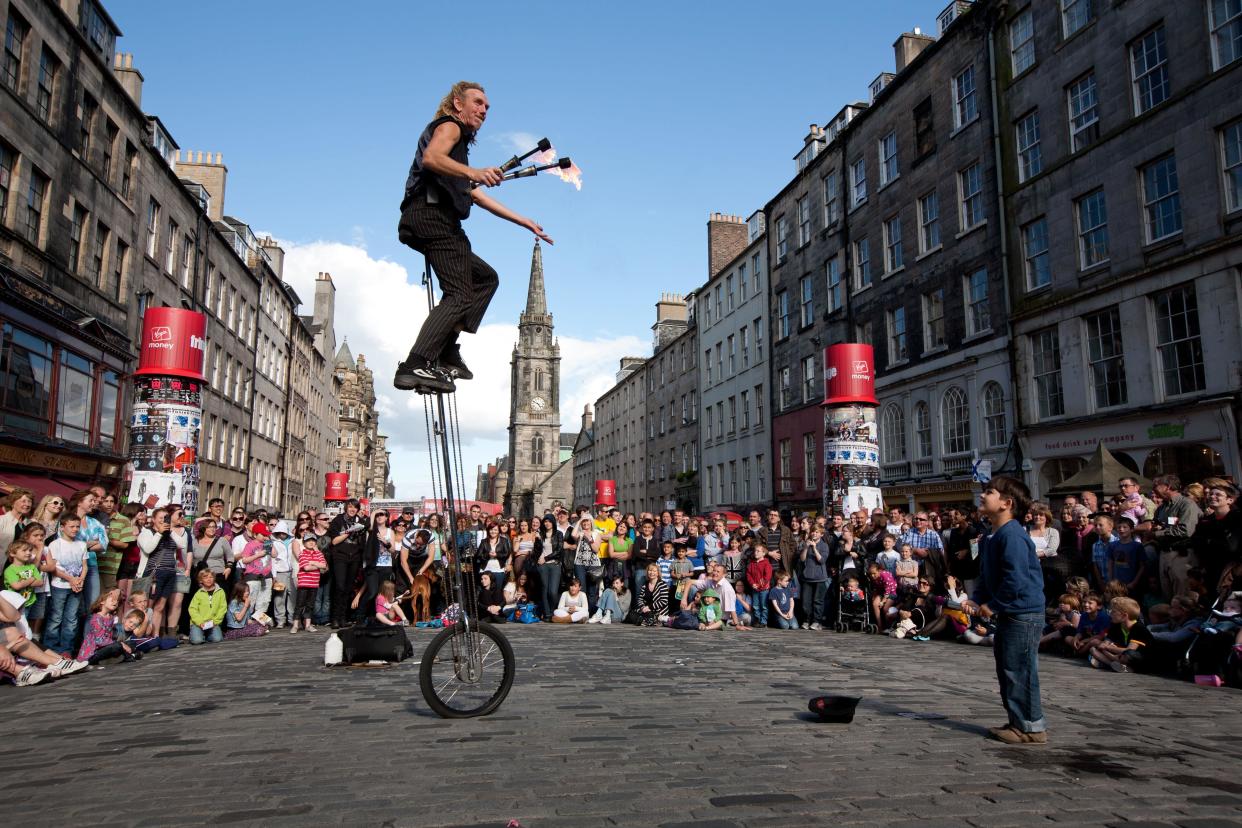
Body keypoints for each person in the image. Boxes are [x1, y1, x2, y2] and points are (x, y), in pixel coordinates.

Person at [394, 81, 553, 393]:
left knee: (485, 278)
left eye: (487, 107)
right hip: (431, 218)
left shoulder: (460, 151)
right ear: (457, 104)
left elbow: (476, 195)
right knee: (460, 294)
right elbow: (431, 158)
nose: (483, 110)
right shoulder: (449, 127)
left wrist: (523, 221)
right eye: (478, 103)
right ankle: (415, 364)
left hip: (441, 222)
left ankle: (446, 350)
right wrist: (475, 171)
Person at [962, 476, 1047, 745]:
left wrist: (992, 605)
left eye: (990, 492)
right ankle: (1018, 721)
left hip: (1023, 612)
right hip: (1012, 611)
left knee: (1020, 669)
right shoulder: (992, 536)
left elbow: (1016, 579)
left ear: (1006, 503)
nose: (983, 495)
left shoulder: (1012, 535)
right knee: (1009, 668)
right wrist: (978, 599)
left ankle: (1032, 728)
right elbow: (988, 575)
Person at [45, 514, 88, 656]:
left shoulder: (81, 544)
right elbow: (54, 568)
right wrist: (71, 579)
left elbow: (84, 566)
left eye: (77, 526)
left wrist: (80, 580)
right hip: (59, 586)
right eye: (72, 526)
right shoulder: (55, 544)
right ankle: (50, 648)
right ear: (62, 528)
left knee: (71, 619)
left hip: (76, 586)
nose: (75, 529)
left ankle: (66, 649)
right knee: (56, 618)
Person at [326, 501, 367, 628]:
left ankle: (343, 617)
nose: (352, 509)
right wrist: (349, 532)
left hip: (354, 557)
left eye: (355, 507)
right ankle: (335, 618)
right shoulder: (338, 521)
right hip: (340, 556)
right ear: (346, 508)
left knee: (349, 587)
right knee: (339, 586)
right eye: (350, 507)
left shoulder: (361, 521)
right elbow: (334, 541)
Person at [1088, 597, 1152, 672]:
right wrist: (1107, 647)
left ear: (1124, 616)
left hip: (1139, 659)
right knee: (1093, 649)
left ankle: (1110, 663)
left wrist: (1109, 648)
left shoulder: (1139, 628)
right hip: (1119, 655)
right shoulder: (1115, 625)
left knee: (1128, 655)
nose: (1110, 614)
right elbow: (1104, 644)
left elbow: (1129, 650)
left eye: (1113, 612)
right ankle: (1116, 665)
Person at [292, 534, 327, 633]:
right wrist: (317, 565)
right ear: (304, 543)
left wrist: (312, 562)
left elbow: (324, 565)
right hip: (303, 584)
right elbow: (306, 568)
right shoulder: (302, 554)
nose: (311, 542)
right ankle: (295, 625)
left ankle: (308, 624)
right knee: (299, 604)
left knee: (310, 605)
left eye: (313, 541)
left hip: (314, 584)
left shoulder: (319, 554)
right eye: (308, 541)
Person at [188, 569, 227, 644]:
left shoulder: (220, 592)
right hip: (199, 623)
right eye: (205, 577)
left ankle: (207, 636)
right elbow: (192, 609)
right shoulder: (198, 593)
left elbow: (223, 608)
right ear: (201, 580)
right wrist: (200, 622)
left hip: (213, 623)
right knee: (197, 641)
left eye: (211, 577)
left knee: (217, 639)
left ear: (214, 579)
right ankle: (196, 635)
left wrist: (215, 621)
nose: (208, 579)